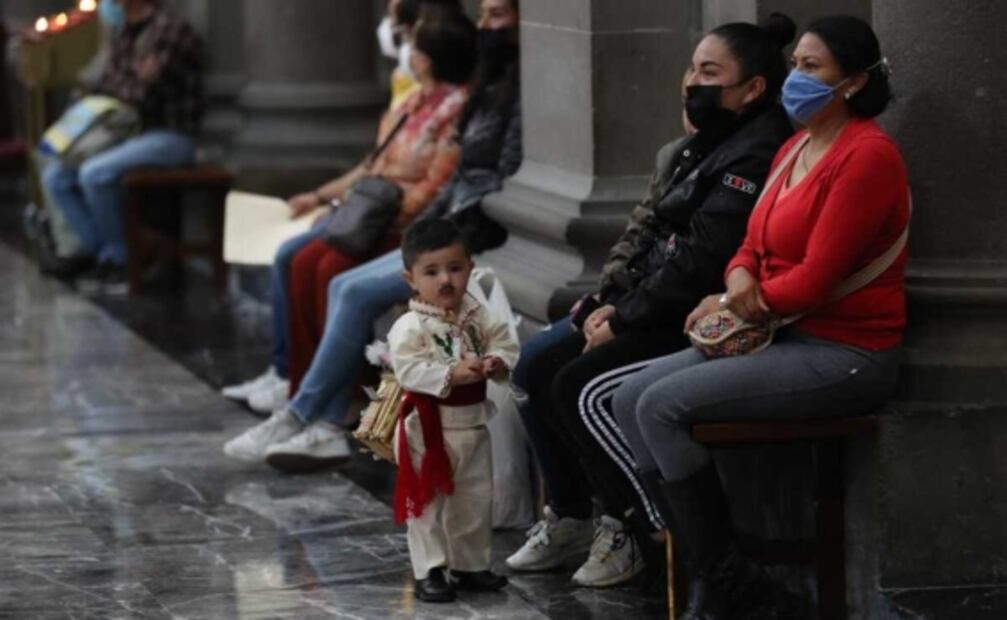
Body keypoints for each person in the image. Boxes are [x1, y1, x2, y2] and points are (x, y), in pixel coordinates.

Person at [612, 15, 908, 618]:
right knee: (625, 399)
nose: (794, 78)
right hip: (778, 334)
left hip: (845, 352)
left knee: (659, 406)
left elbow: (817, 278)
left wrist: (733, 300)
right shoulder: (796, 143)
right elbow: (749, 241)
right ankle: (728, 574)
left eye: (810, 68)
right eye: (794, 64)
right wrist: (739, 275)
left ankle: (722, 583)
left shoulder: (867, 155)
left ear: (851, 82)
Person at [505, 15, 797, 589]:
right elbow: (651, 233)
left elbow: (700, 259)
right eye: (691, 67)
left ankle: (630, 526)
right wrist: (606, 299)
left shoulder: (756, 152)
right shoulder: (705, 142)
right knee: (536, 362)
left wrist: (624, 317)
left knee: (577, 384)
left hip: (694, 316)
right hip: (649, 300)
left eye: (709, 72)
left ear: (755, 87)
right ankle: (570, 515)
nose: (691, 81)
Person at [222, 0, 521, 471]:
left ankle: (314, 416)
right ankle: (297, 388)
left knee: (333, 270)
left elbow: (442, 183)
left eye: (496, 16)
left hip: (427, 227)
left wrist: (400, 223)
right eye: (482, 15)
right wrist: (328, 200)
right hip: (418, 220)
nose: (486, 26)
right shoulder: (431, 100)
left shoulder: (469, 101)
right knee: (302, 260)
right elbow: (376, 167)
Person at [387, 219, 520, 602]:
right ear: (410, 278)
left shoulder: (478, 315)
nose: (445, 280)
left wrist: (497, 360)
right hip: (428, 430)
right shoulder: (410, 325)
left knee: (474, 498)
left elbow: (505, 341)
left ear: (471, 267)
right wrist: (450, 372)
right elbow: (408, 369)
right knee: (428, 503)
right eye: (431, 272)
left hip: (473, 422)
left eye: (455, 268)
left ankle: (469, 564)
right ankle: (430, 568)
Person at [39, 0, 202, 294]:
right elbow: (106, 85)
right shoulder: (122, 30)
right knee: (56, 176)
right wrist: (128, 81)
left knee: (94, 173)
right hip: (126, 131)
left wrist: (124, 85)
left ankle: (121, 260)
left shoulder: (170, 30)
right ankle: (92, 253)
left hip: (168, 133)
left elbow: (144, 94)